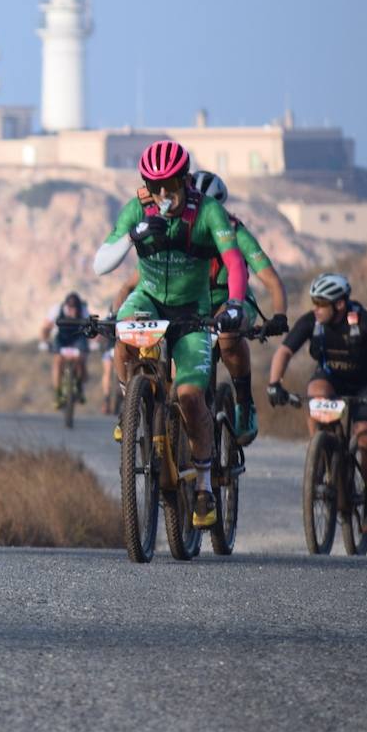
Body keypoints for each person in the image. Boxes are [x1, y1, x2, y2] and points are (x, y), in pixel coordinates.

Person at [94, 139, 248, 528]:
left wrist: (234, 304)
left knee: (191, 395)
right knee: (123, 328)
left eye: (172, 186)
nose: (165, 195)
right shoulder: (137, 209)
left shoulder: (208, 212)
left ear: (185, 181)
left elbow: (233, 260)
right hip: (147, 298)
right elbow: (101, 263)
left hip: (192, 311)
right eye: (156, 186)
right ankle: (132, 404)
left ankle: (205, 487)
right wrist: (134, 235)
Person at [114, 170, 290, 444]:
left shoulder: (232, 231)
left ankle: (244, 403)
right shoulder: (176, 234)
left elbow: (271, 279)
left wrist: (279, 315)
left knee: (229, 338)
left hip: (228, 299)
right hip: (190, 305)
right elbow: (132, 284)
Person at [266, 273, 367, 533]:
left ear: (339, 305)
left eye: (321, 304)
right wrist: (274, 384)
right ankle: (323, 453)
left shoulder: (361, 321)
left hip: (366, 384)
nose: (315, 309)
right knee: (315, 393)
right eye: (314, 303)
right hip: (331, 379)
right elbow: (284, 351)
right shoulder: (313, 322)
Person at [39, 291, 91, 409]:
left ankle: (79, 385)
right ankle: (58, 394)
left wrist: (93, 342)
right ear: (66, 305)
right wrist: (44, 341)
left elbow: (92, 328)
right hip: (62, 338)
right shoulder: (57, 309)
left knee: (81, 359)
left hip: (78, 337)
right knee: (57, 362)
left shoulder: (84, 310)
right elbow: (46, 327)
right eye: (70, 308)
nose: (73, 311)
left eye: (75, 308)